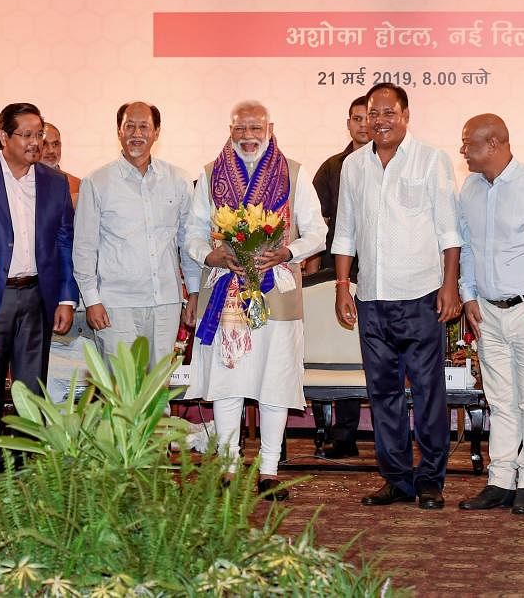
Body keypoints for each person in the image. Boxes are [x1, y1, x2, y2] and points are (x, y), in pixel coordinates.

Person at [184, 100, 325, 500]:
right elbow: (192, 233)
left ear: (270, 127)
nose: (248, 136)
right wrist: (207, 255)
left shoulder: (295, 174)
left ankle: (268, 469)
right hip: (224, 292)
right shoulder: (211, 175)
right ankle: (228, 467)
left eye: (255, 128)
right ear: (230, 130)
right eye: (240, 129)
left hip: (276, 292)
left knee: (274, 380)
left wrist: (289, 251)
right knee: (228, 381)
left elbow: (318, 232)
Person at [331, 82, 462, 510]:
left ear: (406, 115)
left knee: (428, 392)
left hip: (421, 295)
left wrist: (449, 285)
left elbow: (448, 230)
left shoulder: (431, 159)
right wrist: (342, 287)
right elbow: (346, 231)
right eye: (373, 113)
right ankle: (395, 478)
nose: (380, 121)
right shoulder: (353, 166)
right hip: (370, 297)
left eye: (389, 113)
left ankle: (431, 480)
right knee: (382, 392)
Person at [0, 103, 77, 468]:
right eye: (26, 135)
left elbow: (63, 240)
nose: (35, 143)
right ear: (3, 136)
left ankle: (26, 464)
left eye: (38, 134)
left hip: (37, 297)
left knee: (31, 388)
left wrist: (66, 298)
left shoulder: (55, 182)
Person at [455, 114, 524, 516]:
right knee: (499, 401)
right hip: (487, 313)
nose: (463, 151)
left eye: (469, 143)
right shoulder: (470, 189)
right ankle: (500, 480)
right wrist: (468, 296)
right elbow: (466, 248)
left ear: (494, 143)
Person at [74, 101, 199, 365]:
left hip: (165, 302)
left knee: (157, 390)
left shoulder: (179, 180)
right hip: (114, 306)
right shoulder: (97, 182)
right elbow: (84, 248)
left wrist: (195, 294)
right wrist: (92, 300)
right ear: (118, 131)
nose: (136, 133)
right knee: (121, 393)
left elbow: (187, 243)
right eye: (129, 126)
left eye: (144, 126)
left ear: (157, 132)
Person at [307, 95, 370, 457]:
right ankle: (325, 429)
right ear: (348, 123)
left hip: (376, 275)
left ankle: (346, 435)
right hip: (335, 274)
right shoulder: (332, 168)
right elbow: (314, 228)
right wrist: (312, 278)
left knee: (357, 353)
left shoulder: (388, 164)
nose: (363, 124)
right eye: (356, 118)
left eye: (368, 117)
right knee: (328, 348)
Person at [39, 122, 81, 206]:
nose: (51, 150)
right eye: (44, 144)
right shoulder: (24, 183)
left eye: (55, 144)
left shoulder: (77, 185)